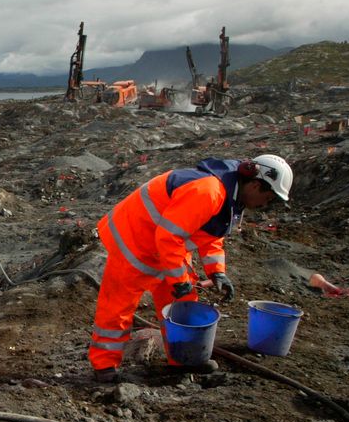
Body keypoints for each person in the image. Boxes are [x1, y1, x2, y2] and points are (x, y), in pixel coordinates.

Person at [89, 155, 293, 383]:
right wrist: (178, 280)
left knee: (183, 302)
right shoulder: (208, 191)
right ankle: (105, 365)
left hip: (164, 245)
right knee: (119, 305)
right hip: (134, 239)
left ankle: (183, 359)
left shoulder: (229, 196)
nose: (265, 204)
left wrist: (217, 272)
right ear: (255, 184)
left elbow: (210, 236)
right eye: (268, 197)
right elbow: (169, 237)